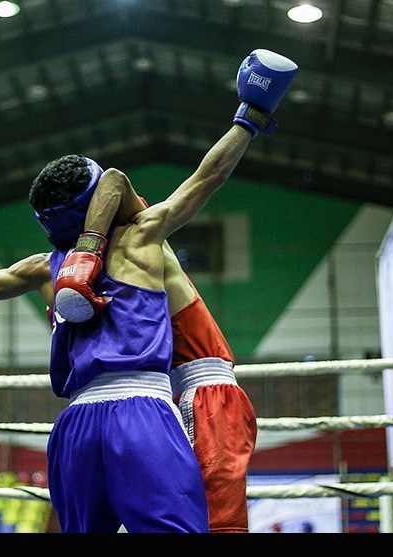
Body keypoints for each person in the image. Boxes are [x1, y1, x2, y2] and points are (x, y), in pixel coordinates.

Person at [0, 49, 297, 533]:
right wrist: (249, 117)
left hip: (74, 423)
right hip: (144, 409)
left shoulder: (41, 269)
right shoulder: (140, 238)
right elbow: (199, 178)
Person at [58, 170, 258, 533]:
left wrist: (87, 248)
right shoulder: (129, 254)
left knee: (214, 523)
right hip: (180, 396)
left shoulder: (144, 235)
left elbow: (115, 180)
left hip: (200, 397)